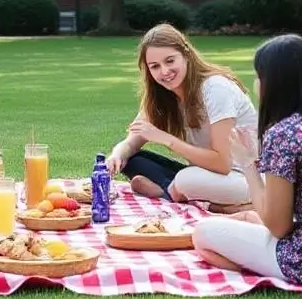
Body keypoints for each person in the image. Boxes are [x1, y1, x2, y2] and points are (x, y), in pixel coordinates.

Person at [193, 34, 302, 285]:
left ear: (274, 83)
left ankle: (267, 275)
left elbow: (278, 227)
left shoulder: (285, 134)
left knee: (203, 235)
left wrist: (248, 164)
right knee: (249, 220)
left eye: (259, 76)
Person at [107, 23, 257, 212]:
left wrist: (166, 139)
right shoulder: (162, 97)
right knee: (133, 159)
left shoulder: (216, 89)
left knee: (187, 179)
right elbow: (130, 143)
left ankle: (182, 195)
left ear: (186, 55)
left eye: (170, 61)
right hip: (207, 173)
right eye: (155, 66)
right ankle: (175, 191)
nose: (164, 72)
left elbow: (222, 164)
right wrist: (115, 156)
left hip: (246, 178)